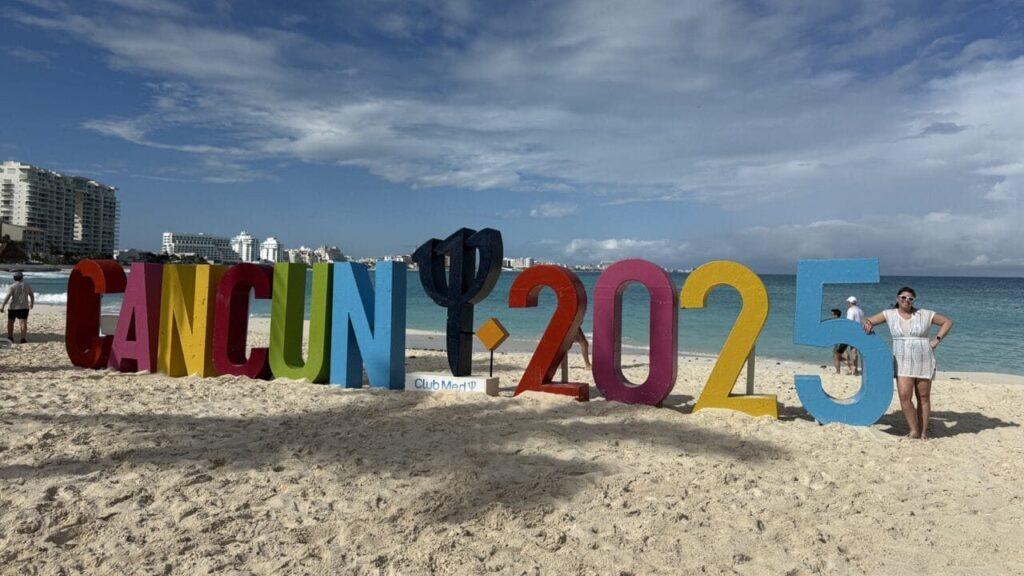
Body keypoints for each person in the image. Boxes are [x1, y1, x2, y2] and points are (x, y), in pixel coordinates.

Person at [862, 286, 953, 439]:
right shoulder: (889, 314)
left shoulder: (923, 314)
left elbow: (947, 322)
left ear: (913, 301)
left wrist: (936, 341)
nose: (906, 301)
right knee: (905, 396)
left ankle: (923, 432)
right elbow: (867, 319)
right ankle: (914, 430)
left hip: (923, 358)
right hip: (902, 360)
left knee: (923, 396)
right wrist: (868, 323)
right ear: (897, 298)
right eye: (903, 297)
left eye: (910, 299)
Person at [1, 271, 35, 343]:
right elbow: (31, 295)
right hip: (24, 307)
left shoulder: (12, 286)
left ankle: (10, 337)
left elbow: (8, 297)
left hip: (13, 307)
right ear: (22, 278)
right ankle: (23, 339)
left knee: (10, 322)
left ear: (14, 278)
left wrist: (3, 305)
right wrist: (32, 303)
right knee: (23, 323)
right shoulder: (26, 285)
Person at [845, 296, 865, 375]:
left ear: (850, 302)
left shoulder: (850, 310)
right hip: (860, 332)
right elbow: (862, 322)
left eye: (848, 302)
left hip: (852, 332)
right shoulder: (860, 310)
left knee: (850, 351)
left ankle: (852, 369)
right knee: (856, 351)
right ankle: (856, 369)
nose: (847, 304)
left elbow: (849, 323)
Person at [830, 309, 849, 374]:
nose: (831, 316)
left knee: (836, 357)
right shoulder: (841, 322)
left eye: (832, 314)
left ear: (835, 315)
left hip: (838, 342)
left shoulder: (835, 323)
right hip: (843, 341)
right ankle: (850, 364)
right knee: (838, 357)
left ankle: (838, 372)